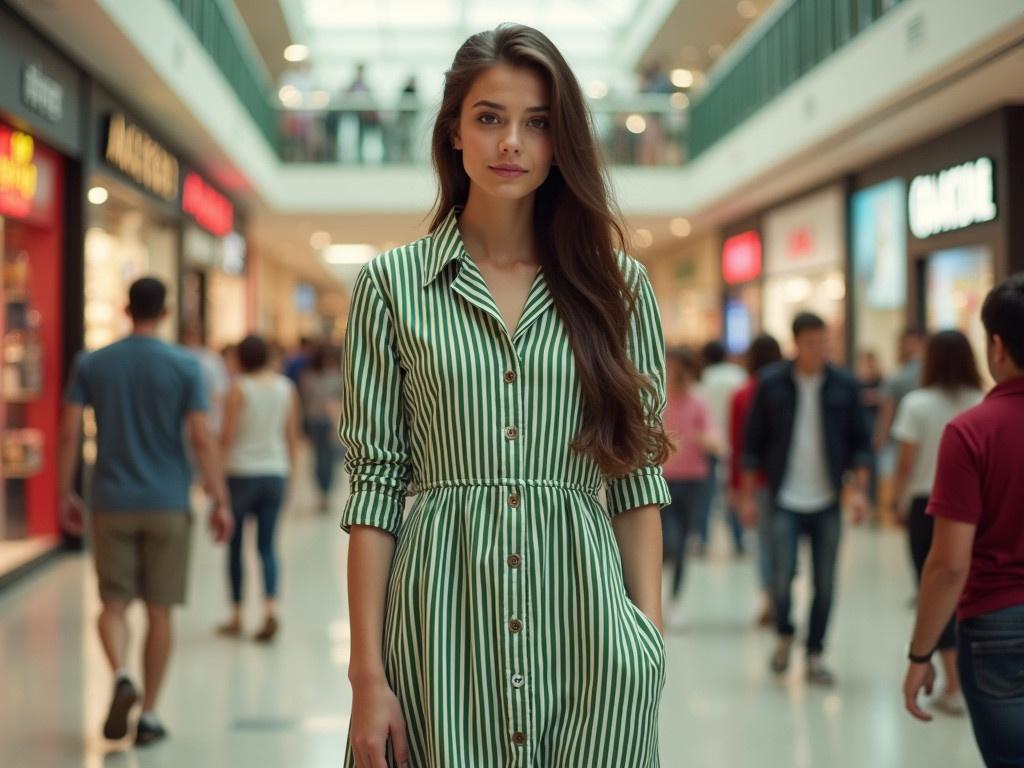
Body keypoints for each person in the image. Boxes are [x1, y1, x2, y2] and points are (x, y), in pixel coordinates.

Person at [341, 25, 671, 767]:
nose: (511, 143)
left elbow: (636, 472)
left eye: (537, 123)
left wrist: (648, 641)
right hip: (439, 627)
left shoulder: (618, 289)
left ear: (561, 143)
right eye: (490, 118)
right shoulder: (390, 288)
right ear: (454, 132)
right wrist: (367, 677)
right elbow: (375, 488)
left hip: (591, 635)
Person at [56, 277, 232, 747]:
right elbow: (201, 437)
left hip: (111, 500)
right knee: (160, 613)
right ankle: (150, 714)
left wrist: (65, 494)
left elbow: (69, 432)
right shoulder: (184, 366)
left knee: (112, 607)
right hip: (169, 503)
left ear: (124, 308)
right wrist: (220, 498)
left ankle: (119, 675)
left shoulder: (92, 363)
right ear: (167, 310)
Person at [903, 274, 1024, 766]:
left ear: (996, 345)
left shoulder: (972, 432)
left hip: (997, 625)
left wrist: (920, 654)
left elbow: (949, 563)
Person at [739, 312, 872, 686]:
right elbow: (752, 444)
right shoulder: (771, 383)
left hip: (828, 498)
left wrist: (859, 493)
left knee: (826, 582)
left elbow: (861, 444)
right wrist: (748, 496)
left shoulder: (844, 385)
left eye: (824, 342)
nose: (820, 349)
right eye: (812, 342)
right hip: (782, 497)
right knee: (781, 577)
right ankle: (784, 633)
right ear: (796, 343)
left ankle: (814, 653)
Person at [892, 329, 983, 716]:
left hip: (925, 506)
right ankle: (966, 676)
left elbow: (906, 462)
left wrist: (895, 499)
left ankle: (953, 679)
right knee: (966, 587)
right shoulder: (981, 402)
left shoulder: (917, 403)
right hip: (975, 510)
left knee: (935, 585)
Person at [218, 335, 301, 642]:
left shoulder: (238, 389)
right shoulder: (285, 388)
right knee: (267, 547)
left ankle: (237, 615)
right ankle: (270, 609)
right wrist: (291, 477)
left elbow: (226, 437)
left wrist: (214, 479)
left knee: (235, 545)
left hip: (240, 473)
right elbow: (292, 437)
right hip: (274, 473)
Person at [661, 347, 719, 628]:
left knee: (682, 544)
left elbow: (714, 438)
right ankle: (650, 600)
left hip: (693, 479)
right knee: (665, 542)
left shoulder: (698, 401)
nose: (671, 371)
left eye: (676, 366)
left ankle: (673, 603)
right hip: (662, 480)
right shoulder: (657, 398)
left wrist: (701, 438)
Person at [729, 333, 783, 627]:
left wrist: (737, 488)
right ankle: (780, 595)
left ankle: (770, 598)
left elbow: (739, 445)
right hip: (784, 479)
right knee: (784, 543)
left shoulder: (742, 395)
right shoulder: (786, 390)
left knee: (764, 543)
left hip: (756, 482)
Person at [696, 340, 747, 555]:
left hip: (710, 442)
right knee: (734, 489)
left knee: (707, 494)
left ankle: (703, 539)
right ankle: (739, 538)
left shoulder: (704, 379)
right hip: (736, 439)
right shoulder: (737, 375)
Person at [299, 342, 344, 512]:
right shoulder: (324, 377)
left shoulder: (313, 377)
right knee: (321, 458)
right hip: (320, 422)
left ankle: (325, 491)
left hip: (324, 421)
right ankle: (323, 491)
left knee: (325, 458)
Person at [856, 349, 885, 510]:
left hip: (875, 427)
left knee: (875, 468)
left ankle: (874, 503)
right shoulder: (856, 382)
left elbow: (885, 401)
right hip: (863, 428)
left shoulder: (881, 380)